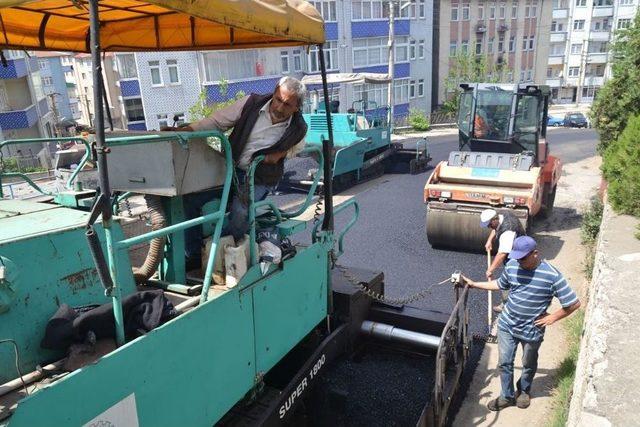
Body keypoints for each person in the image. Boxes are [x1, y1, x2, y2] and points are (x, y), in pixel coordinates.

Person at [167, 76, 308, 269]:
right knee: (190, 199)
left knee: (240, 210)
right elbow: (218, 121)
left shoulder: (298, 127)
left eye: (287, 105)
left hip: (260, 177)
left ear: (297, 107)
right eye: (278, 99)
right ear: (274, 93)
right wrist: (188, 130)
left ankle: (224, 252)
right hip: (230, 170)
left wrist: (280, 153)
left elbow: (298, 146)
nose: (279, 108)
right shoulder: (251, 103)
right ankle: (193, 255)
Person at [462, 236, 580, 411]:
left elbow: (573, 303)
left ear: (535, 254)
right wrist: (474, 284)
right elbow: (500, 284)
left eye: (523, 258)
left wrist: (552, 317)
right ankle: (507, 396)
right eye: (516, 257)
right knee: (504, 362)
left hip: (532, 330)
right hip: (507, 325)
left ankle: (524, 390)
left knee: (528, 363)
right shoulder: (512, 266)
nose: (519, 262)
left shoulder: (552, 275)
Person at [480, 208, 526, 313]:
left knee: (508, 278)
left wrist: (490, 270)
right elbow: (496, 228)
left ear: (494, 220)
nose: (488, 227)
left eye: (489, 225)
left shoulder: (508, 231)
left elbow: (502, 254)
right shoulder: (502, 215)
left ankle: (507, 305)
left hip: (519, 255)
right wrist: (489, 240)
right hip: (515, 247)